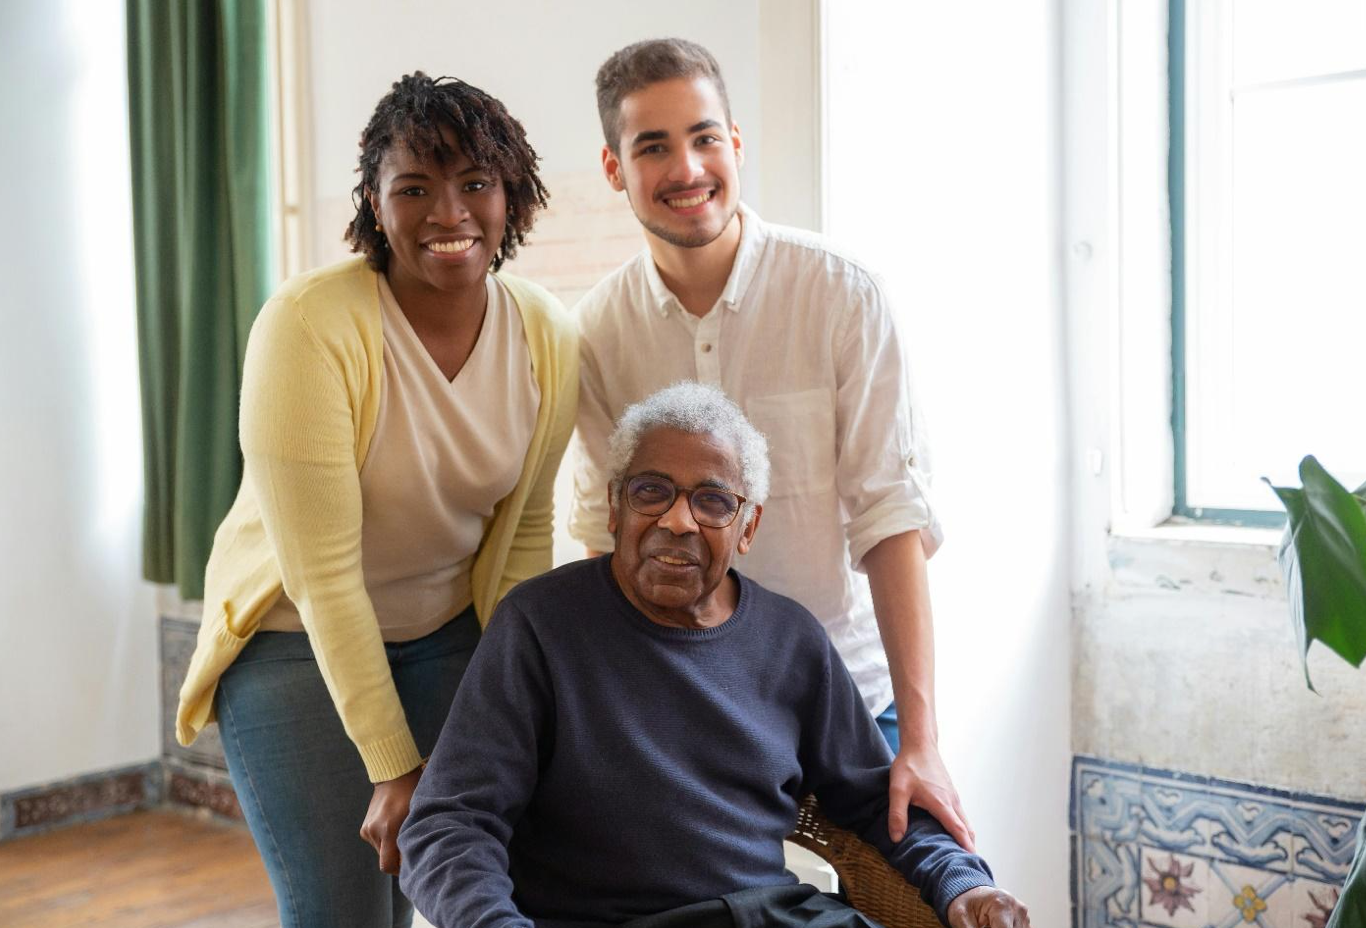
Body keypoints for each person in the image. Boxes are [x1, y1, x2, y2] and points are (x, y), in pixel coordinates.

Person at [173, 72, 577, 928]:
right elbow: (322, 576)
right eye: (415, 188)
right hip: (292, 642)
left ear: (511, 195)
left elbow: (525, 533)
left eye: (475, 183)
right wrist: (393, 764)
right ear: (374, 202)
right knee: (346, 912)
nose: (448, 213)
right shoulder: (307, 326)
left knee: (455, 887)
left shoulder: (546, 333)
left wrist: (521, 697)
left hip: (449, 634)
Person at [400, 383, 1028, 928]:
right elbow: (448, 825)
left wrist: (963, 885)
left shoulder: (792, 640)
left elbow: (875, 801)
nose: (678, 521)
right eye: (652, 491)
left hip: (773, 914)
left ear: (748, 527)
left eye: (712, 501)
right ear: (615, 507)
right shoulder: (539, 625)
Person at [569, 38, 973, 851]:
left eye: (704, 137)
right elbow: (605, 542)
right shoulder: (594, 334)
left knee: (934, 882)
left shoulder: (843, 295)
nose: (687, 168)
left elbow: (891, 518)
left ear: (736, 143)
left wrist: (922, 741)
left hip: (851, 700)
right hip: (679, 708)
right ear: (614, 169)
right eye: (653, 147)